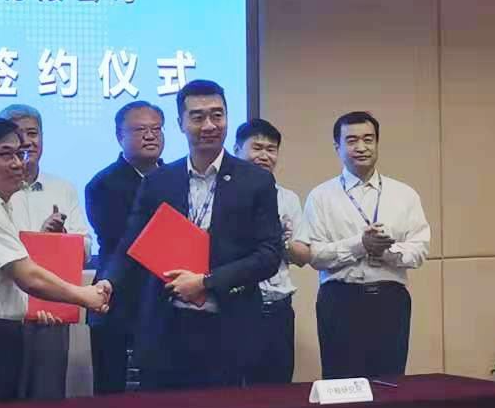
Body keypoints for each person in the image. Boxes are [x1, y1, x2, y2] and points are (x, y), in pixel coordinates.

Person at [104, 80, 281, 391]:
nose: (209, 125)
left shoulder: (255, 181)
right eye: (198, 117)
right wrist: (108, 282)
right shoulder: (159, 181)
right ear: (180, 123)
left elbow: (269, 255)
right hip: (165, 329)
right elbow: (131, 243)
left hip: (229, 329)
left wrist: (205, 282)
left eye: (217, 115)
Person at [0, 117, 111, 405]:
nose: (18, 163)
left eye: (20, 153)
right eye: (6, 155)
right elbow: (27, 276)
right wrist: (85, 296)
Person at [303, 111, 430, 380]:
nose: (361, 147)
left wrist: (385, 251)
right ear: (337, 147)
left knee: (389, 383)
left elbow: (419, 250)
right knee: (341, 385)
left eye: (368, 139)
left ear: (377, 143)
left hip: (390, 301)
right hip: (339, 300)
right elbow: (315, 255)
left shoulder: (404, 194)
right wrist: (360, 245)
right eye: (351, 141)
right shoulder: (320, 196)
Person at [0, 104, 93, 402]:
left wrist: (61, 240)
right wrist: (40, 240)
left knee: (47, 400)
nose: (27, 142)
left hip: (53, 307)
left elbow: (86, 248)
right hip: (4, 311)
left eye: (33, 133)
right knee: (4, 400)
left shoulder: (62, 188)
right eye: (18, 135)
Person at [85, 101, 166, 394]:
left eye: (156, 128)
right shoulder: (103, 184)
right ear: (120, 136)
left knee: (164, 391)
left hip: (165, 299)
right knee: (112, 391)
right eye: (140, 129)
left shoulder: (176, 178)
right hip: (118, 297)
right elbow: (123, 240)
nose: (150, 135)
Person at [233, 119, 312, 385]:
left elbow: (303, 256)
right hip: (237, 308)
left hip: (278, 309)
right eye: (256, 148)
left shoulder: (287, 198)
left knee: (278, 391)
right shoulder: (223, 196)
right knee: (233, 391)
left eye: (271, 149)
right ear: (236, 149)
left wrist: (280, 241)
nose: (265, 156)